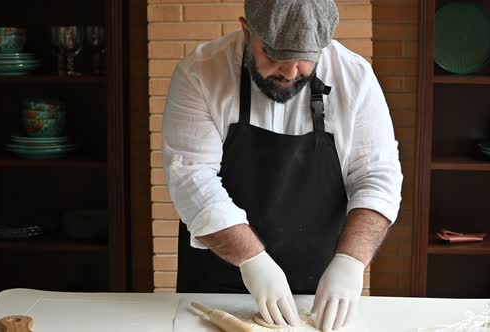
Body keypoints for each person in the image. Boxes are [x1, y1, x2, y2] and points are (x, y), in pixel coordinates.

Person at [162, 0, 403, 331]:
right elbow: (191, 178)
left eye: (305, 59)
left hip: (317, 291)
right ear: (247, 30)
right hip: (215, 284)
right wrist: (254, 261)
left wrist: (350, 262)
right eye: (273, 56)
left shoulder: (355, 79)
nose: (290, 73)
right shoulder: (201, 73)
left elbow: (378, 178)